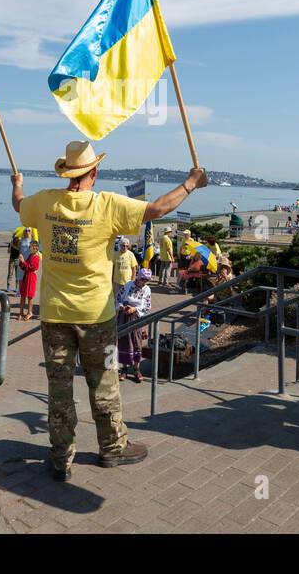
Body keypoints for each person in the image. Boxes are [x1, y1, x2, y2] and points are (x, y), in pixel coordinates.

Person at [13, 139, 206, 481]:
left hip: (55, 314)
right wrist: (191, 183)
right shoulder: (106, 205)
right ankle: (112, 448)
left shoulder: (43, 202)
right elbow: (158, 210)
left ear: (66, 172)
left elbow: (18, 206)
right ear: (94, 172)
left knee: (59, 390)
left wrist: (18, 185)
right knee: (103, 383)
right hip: (96, 317)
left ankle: (60, 457)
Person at [115, 268, 154, 383]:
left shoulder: (147, 290)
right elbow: (117, 298)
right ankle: (124, 369)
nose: (144, 282)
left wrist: (135, 309)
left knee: (137, 342)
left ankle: (137, 369)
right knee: (124, 342)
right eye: (142, 279)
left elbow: (147, 306)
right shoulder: (128, 285)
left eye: (147, 280)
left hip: (136, 318)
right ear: (138, 277)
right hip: (124, 316)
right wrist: (122, 307)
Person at [18, 240, 41, 320]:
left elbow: (31, 267)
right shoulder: (31, 255)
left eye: (30, 246)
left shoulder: (36, 257)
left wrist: (23, 262)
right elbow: (25, 266)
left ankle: (29, 312)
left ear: (35, 248)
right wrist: (21, 261)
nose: (29, 248)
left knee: (30, 296)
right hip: (26, 276)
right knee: (23, 294)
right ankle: (21, 312)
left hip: (31, 277)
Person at [6, 228, 22, 292]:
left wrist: (13, 245)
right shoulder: (11, 243)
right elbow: (8, 251)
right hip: (11, 259)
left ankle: (17, 287)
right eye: (14, 236)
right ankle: (8, 286)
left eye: (16, 236)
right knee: (10, 273)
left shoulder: (20, 242)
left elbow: (19, 250)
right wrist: (10, 246)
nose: (15, 237)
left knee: (17, 274)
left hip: (17, 260)